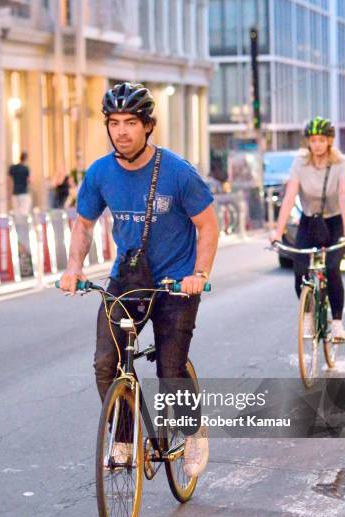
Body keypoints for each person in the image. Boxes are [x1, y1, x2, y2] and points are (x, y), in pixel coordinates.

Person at [59, 82, 219, 477]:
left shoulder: (179, 173)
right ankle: (125, 436)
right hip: (127, 280)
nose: (122, 131)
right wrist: (73, 267)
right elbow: (84, 224)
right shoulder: (100, 173)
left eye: (131, 122)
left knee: (169, 369)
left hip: (175, 284)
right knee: (105, 364)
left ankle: (192, 430)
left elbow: (209, 226)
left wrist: (198, 275)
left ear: (148, 126)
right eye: (114, 122)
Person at [271, 117, 345, 342]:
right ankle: (308, 316)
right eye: (312, 140)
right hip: (309, 221)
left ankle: (337, 324)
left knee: (331, 268)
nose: (317, 144)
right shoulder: (300, 162)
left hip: (334, 221)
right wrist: (277, 231)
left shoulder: (342, 163)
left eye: (321, 140)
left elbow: (343, 196)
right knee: (299, 270)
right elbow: (290, 197)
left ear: (329, 141)